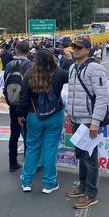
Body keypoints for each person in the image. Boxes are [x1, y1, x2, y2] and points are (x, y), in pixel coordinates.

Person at [65, 38, 109, 209]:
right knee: (80, 156)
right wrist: (69, 112)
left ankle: (91, 193)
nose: (75, 50)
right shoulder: (72, 68)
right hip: (76, 119)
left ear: (88, 49)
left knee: (90, 159)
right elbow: (72, 93)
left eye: (79, 47)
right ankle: (82, 185)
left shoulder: (96, 69)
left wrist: (95, 122)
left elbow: (102, 97)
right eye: (74, 47)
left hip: (89, 121)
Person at [17, 49, 68, 193]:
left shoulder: (29, 74)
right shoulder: (59, 74)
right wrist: (68, 58)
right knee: (50, 149)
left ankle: (26, 181)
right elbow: (72, 74)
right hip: (55, 115)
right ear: (52, 60)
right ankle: (48, 183)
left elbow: (23, 97)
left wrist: (20, 114)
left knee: (32, 147)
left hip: (34, 115)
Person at [3, 41, 33, 172]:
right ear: (28, 51)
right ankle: (28, 162)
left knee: (14, 134)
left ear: (15, 50)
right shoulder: (30, 66)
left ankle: (12, 162)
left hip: (12, 103)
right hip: (26, 104)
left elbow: (5, 83)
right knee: (28, 135)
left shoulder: (9, 65)